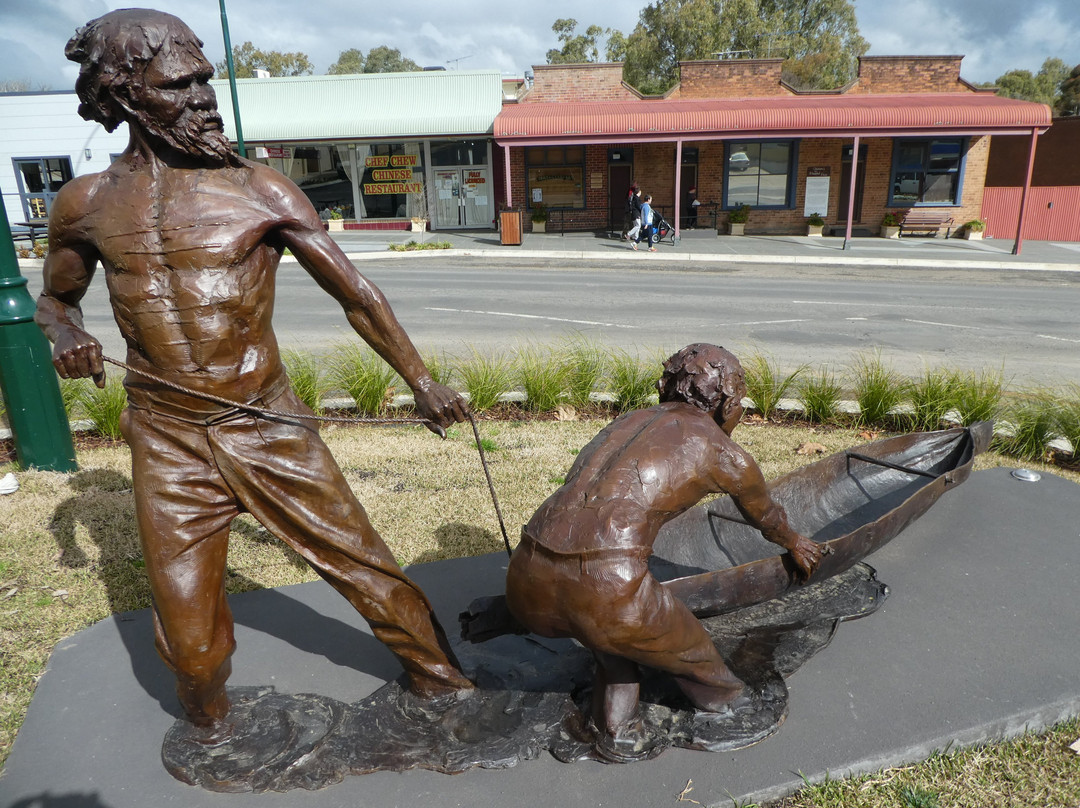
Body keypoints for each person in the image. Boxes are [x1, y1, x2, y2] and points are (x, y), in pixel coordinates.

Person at [36, 9, 473, 741]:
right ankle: (210, 728)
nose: (205, 98)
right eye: (181, 84)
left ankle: (448, 685)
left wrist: (421, 381)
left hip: (267, 423)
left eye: (205, 80)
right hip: (168, 441)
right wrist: (67, 332)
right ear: (123, 93)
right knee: (193, 656)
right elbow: (53, 298)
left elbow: (357, 295)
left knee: (369, 573)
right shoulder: (85, 204)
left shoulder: (262, 190)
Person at [504, 344, 822, 761]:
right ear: (727, 404)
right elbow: (765, 514)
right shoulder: (718, 449)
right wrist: (796, 542)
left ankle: (615, 727)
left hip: (526, 575)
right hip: (606, 588)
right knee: (706, 666)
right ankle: (727, 704)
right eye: (739, 404)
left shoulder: (624, 423)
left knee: (613, 642)